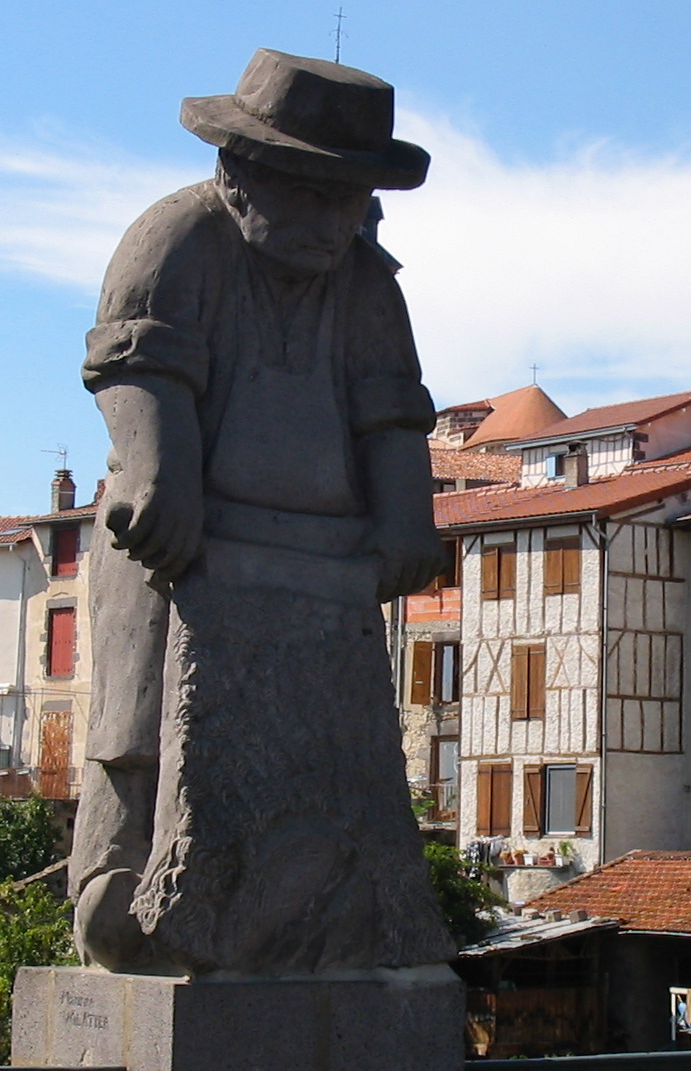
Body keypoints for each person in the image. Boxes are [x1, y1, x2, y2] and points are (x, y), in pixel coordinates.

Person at [70, 48, 456, 976]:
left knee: (326, 753)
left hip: (319, 564)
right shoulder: (172, 241)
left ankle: (324, 912)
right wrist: (165, 475)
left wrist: (407, 512)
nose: (332, 221)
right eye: (310, 192)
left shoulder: (367, 284)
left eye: (348, 197)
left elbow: (392, 409)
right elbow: (137, 369)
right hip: (180, 545)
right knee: (140, 721)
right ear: (240, 174)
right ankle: (115, 885)